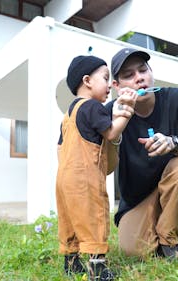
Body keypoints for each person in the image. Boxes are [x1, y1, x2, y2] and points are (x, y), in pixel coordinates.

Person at [105, 48, 178, 260]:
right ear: (116, 86)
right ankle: (158, 227)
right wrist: (118, 126)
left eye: (143, 70)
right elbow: (106, 168)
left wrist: (175, 144)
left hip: (175, 184)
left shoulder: (177, 99)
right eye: (128, 75)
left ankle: (169, 239)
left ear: (151, 72)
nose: (139, 78)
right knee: (134, 252)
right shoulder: (110, 113)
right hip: (137, 199)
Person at [56, 55, 137, 280]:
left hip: (64, 178)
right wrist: (128, 110)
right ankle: (97, 267)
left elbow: (59, 147)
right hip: (85, 177)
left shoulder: (68, 114)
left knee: (69, 219)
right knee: (94, 216)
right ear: (87, 81)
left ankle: (71, 262)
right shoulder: (93, 106)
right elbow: (111, 132)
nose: (111, 84)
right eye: (105, 78)